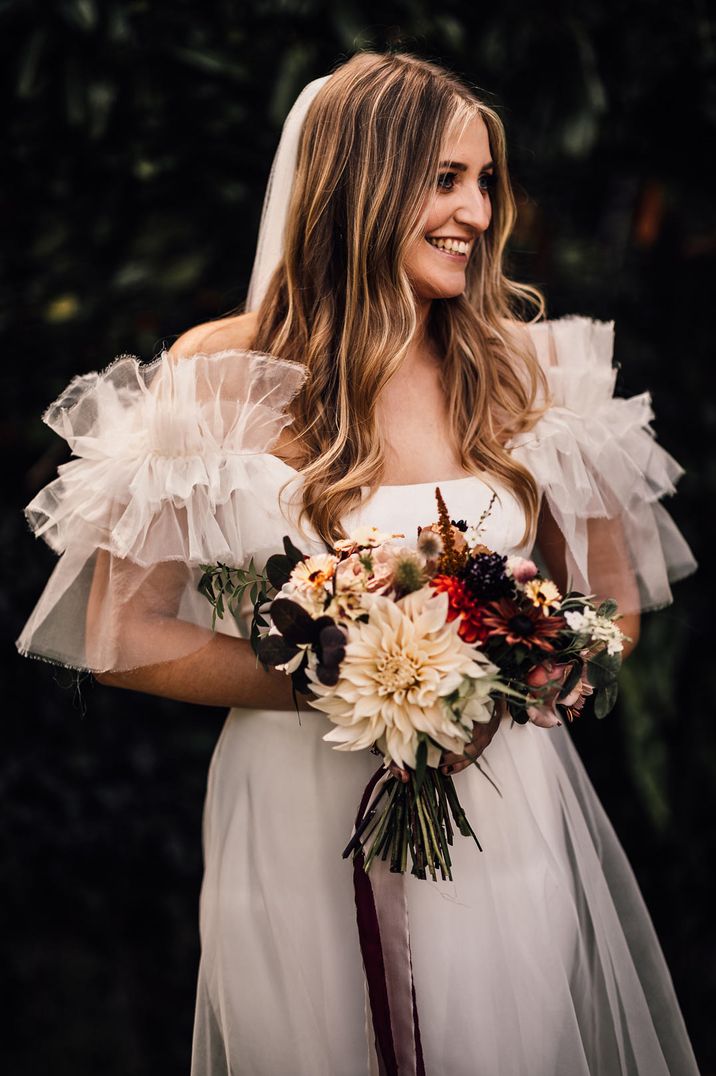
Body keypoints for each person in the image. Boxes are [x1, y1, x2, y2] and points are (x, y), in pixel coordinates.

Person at [17, 51, 701, 1075]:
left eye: (483, 181)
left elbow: (609, 611)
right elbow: (124, 632)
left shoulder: (524, 368)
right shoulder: (223, 376)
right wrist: (355, 681)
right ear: (359, 181)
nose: (475, 209)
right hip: (294, 820)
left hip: (501, 814)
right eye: (443, 179)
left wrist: (510, 676)